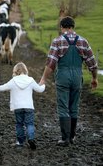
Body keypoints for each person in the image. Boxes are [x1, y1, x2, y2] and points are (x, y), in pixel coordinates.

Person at [39, 16, 98, 146]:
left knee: (63, 106)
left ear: (62, 27)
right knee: (74, 107)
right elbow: (93, 64)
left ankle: (65, 138)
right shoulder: (83, 41)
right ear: (73, 27)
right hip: (77, 76)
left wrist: (43, 79)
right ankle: (72, 137)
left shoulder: (57, 41)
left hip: (63, 77)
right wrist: (94, 78)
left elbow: (50, 64)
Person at [0, 62, 45, 150]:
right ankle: (31, 139)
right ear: (26, 70)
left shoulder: (13, 81)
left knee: (19, 124)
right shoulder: (31, 80)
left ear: (15, 71)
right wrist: (43, 85)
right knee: (30, 124)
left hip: (17, 107)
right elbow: (40, 89)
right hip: (29, 107)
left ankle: (20, 142)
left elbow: (2, 88)